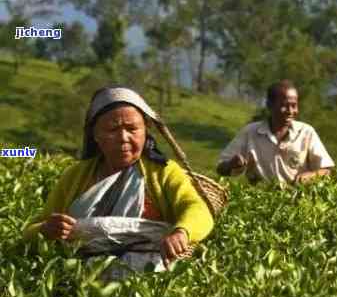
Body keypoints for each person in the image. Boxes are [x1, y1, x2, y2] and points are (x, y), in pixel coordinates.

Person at [23, 86, 214, 275]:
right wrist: (46, 229)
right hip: (79, 280)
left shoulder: (163, 172)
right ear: (95, 135)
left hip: (149, 280)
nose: (123, 138)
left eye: (132, 129)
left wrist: (182, 232)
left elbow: (197, 209)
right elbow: (31, 231)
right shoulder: (75, 176)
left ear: (145, 131)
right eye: (112, 130)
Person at [217, 80, 334, 184]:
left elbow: (326, 170)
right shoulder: (250, 132)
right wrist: (231, 165)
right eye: (284, 105)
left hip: (298, 199)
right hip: (261, 199)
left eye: (294, 106)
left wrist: (310, 176)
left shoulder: (306, 132)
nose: (290, 111)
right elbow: (220, 169)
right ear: (269, 105)